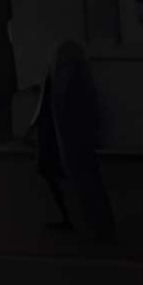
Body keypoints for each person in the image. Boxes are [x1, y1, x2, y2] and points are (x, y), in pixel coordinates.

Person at [33, 40, 116, 242]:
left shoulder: (65, 79)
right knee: (83, 179)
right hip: (69, 139)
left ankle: (97, 226)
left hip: (71, 139)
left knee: (84, 180)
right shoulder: (71, 78)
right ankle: (95, 225)